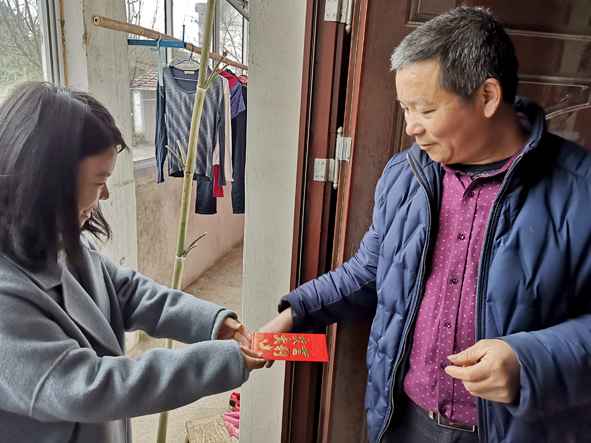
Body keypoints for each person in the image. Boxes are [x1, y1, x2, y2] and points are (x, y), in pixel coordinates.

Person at [261, 6, 591, 443]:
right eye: (404, 109)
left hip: (517, 430)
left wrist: (530, 362)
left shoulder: (581, 189)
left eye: (426, 109)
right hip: (405, 420)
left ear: (487, 97)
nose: (411, 128)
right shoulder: (405, 175)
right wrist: (296, 313)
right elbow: (371, 270)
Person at [0, 82, 265, 443]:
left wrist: (215, 323)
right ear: (47, 182)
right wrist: (219, 361)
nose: (106, 194)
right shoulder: (7, 300)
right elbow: (92, 388)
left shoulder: (57, 237)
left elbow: (126, 291)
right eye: (99, 180)